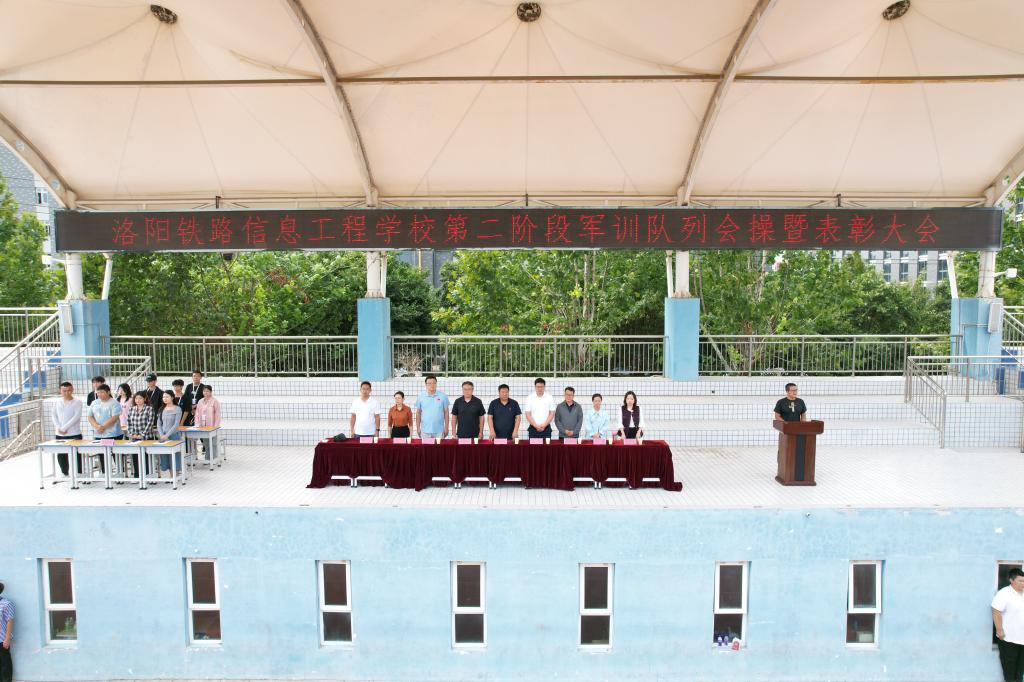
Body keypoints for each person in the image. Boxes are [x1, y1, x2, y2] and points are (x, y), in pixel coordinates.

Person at [994, 567, 1024, 682]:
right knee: (1009, 669)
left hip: (1023, 638)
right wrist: (999, 630)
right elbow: (996, 611)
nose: (1023, 583)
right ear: (1011, 580)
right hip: (1008, 638)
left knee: (1020, 670)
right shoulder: (1004, 593)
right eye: (1020, 581)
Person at [50, 381, 83, 477]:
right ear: (60, 391)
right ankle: (64, 473)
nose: (67, 393)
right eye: (64, 391)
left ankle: (78, 473)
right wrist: (59, 427)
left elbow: (76, 416)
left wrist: (64, 428)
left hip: (74, 433)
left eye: (69, 390)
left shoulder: (77, 402)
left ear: (72, 390)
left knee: (76, 454)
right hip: (60, 433)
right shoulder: (57, 402)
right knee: (61, 454)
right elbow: (53, 415)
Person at [414, 375, 449, 439]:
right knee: (425, 446)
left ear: (436, 384)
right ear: (426, 385)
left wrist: (446, 427)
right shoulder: (421, 396)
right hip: (425, 431)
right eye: (429, 383)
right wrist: (418, 428)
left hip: (439, 430)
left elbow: (446, 412)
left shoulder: (443, 396)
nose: (432, 385)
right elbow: (418, 413)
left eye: (434, 383)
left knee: (439, 446)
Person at [156, 391, 183, 474]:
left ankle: (175, 474)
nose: (165, 399)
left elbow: (176, 424)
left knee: (174, 455)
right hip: (163, 436)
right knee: (165, 455)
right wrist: (162, 435)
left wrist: (167, 435)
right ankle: (170, 474)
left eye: (167, 397)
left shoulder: (177, 409)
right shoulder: (161, 409)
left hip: (174, 435)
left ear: (172, 397)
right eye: (163, 397)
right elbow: (159, 424)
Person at [0, 582, 13, 682]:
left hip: (2, 639)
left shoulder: (6, 603)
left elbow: (10, 620)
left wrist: (7, 639)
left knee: (5, 664)